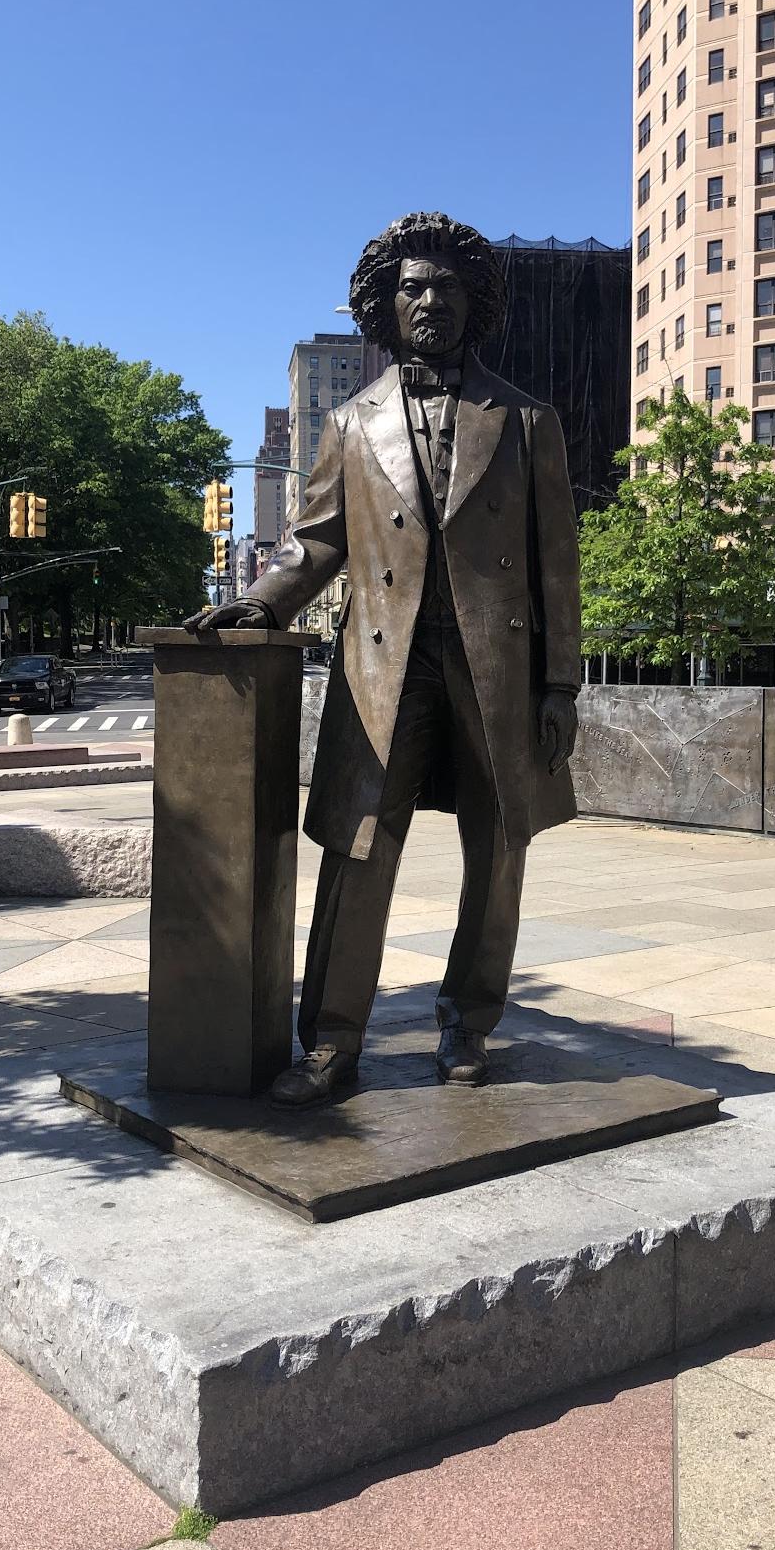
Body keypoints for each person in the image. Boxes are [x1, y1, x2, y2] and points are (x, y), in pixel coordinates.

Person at [188, 212, 581, 1107]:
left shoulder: (527, 421)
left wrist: (562, 683)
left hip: (499, 670)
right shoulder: (351, 424)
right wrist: (258, 602)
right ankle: (331, 1040)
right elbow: (314, 540)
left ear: (473, 301)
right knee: (358, 847)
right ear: (386, 304)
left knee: (499, 850)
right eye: (413, 287)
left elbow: (559, 563)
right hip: (383, 665)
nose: (430, 300)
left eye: (445, 286)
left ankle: (468, 1022)